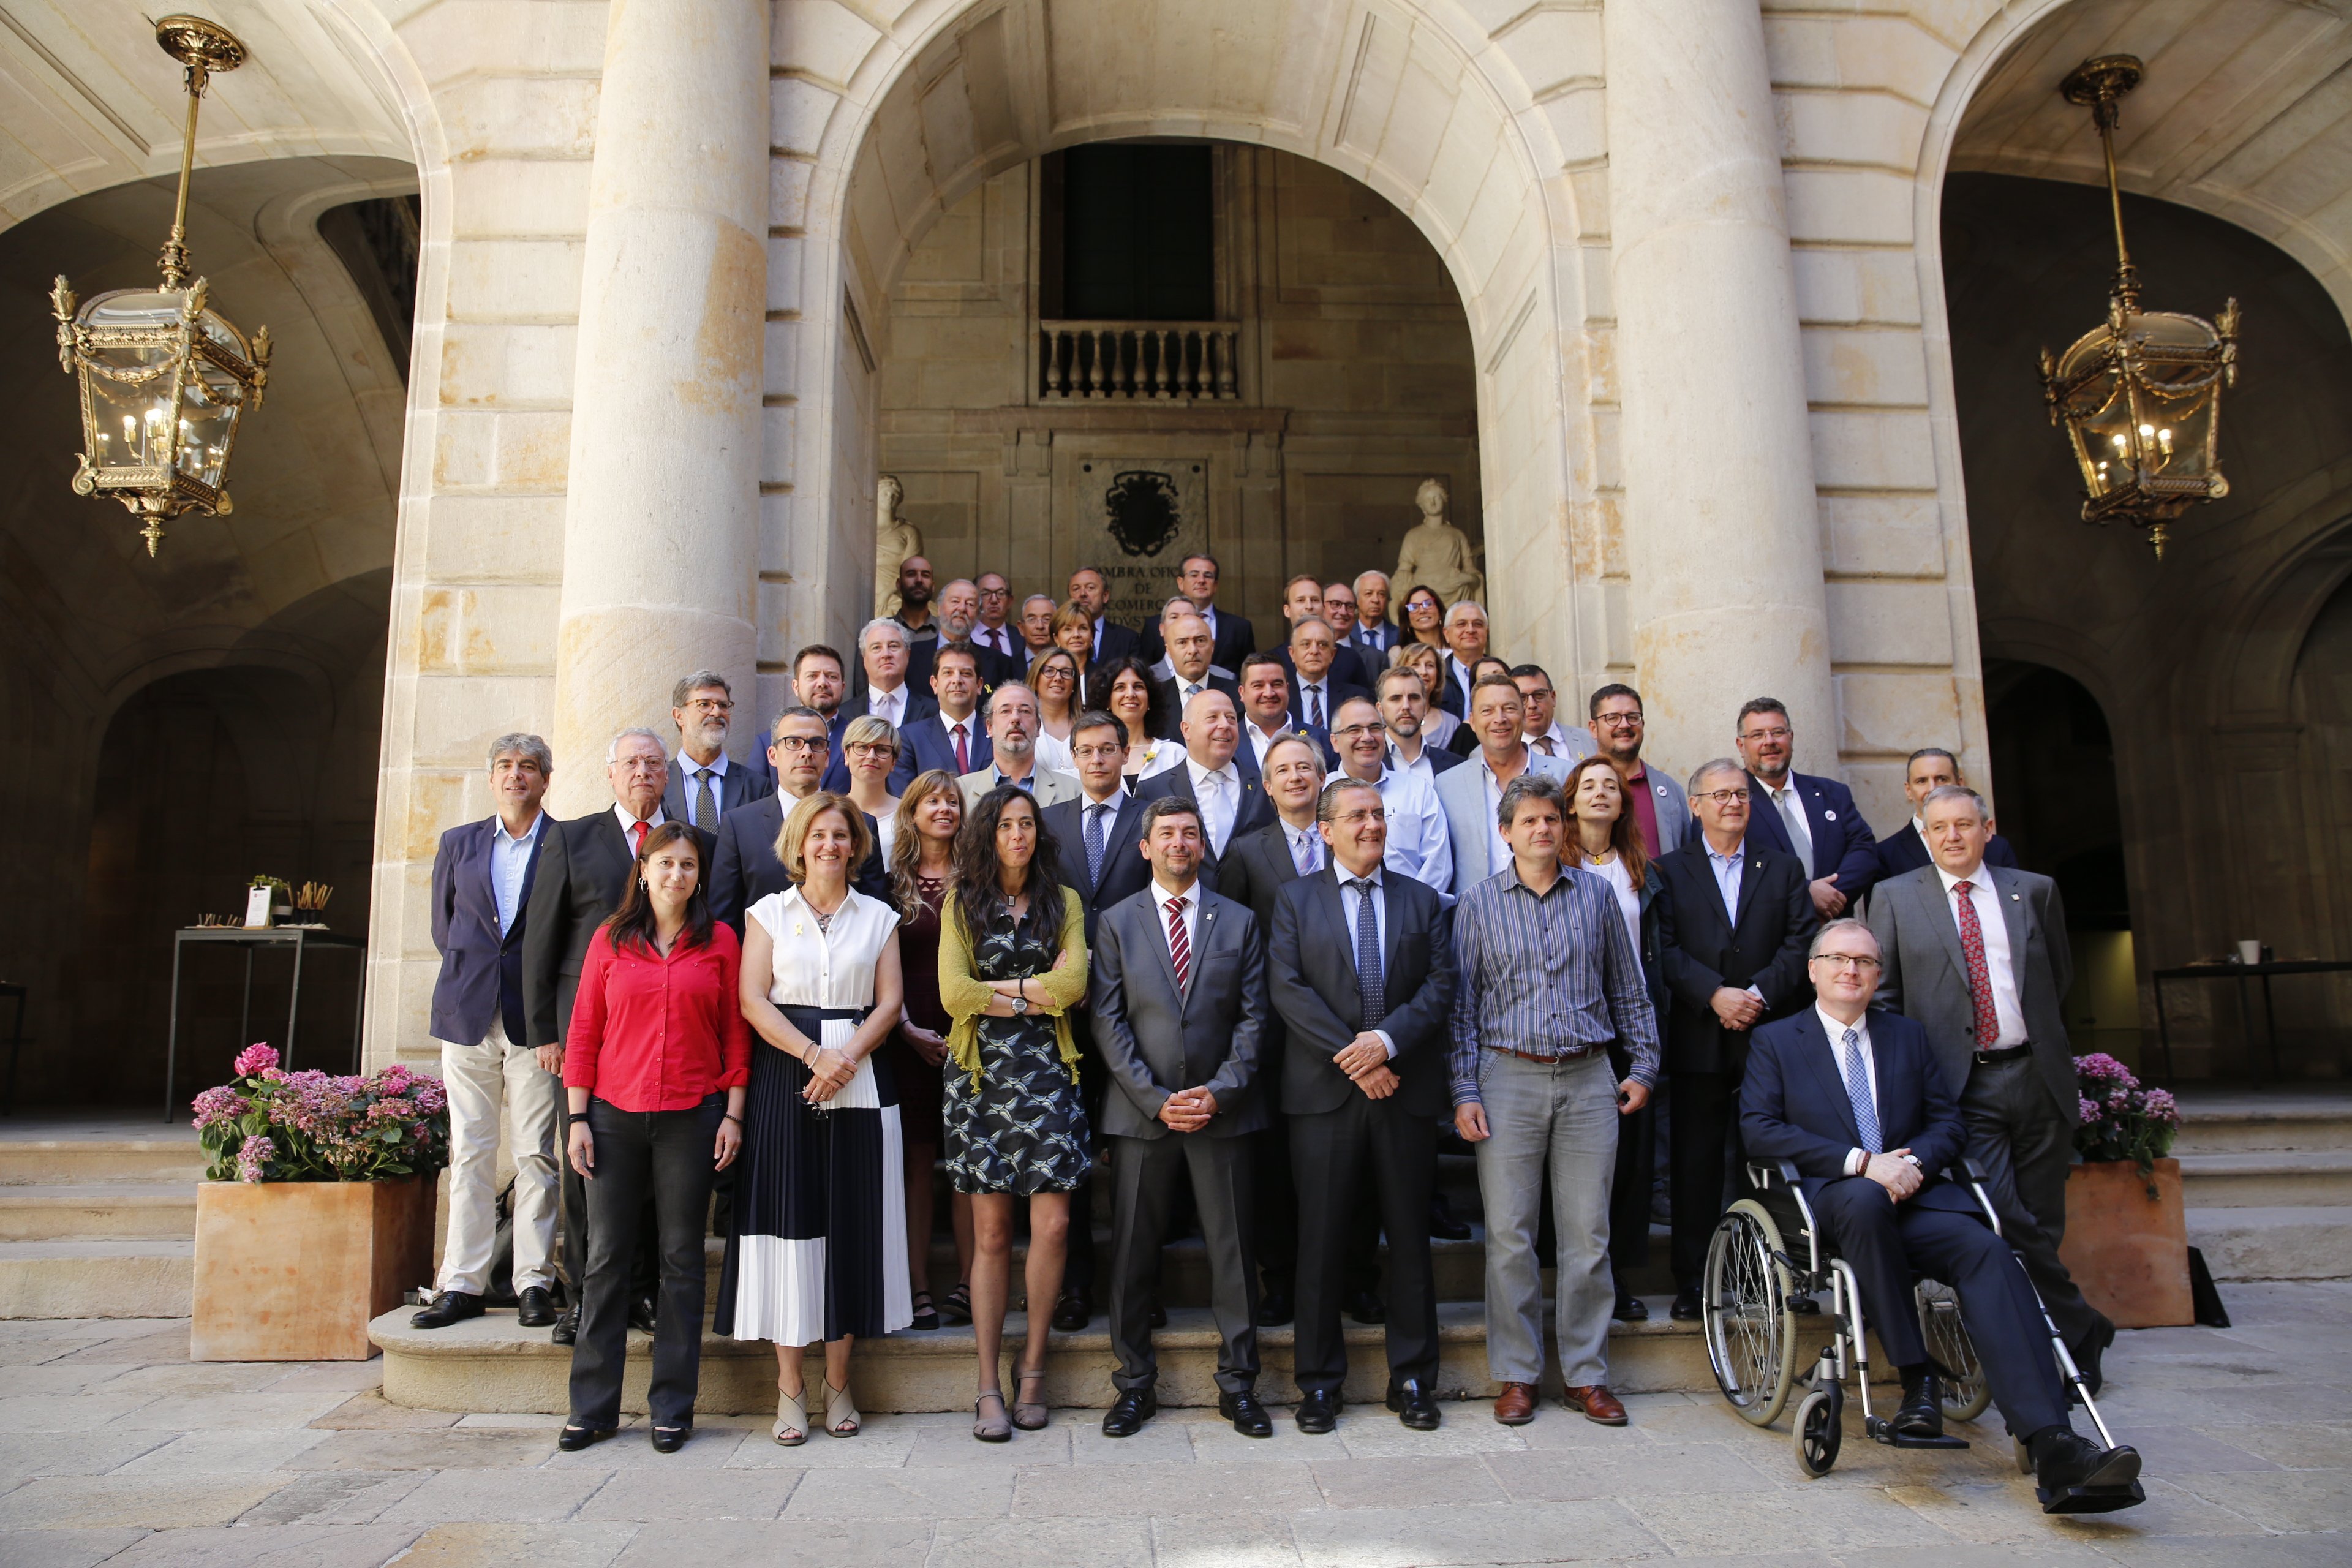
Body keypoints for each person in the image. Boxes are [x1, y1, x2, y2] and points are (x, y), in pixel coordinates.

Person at [1743, 918, 2143, 1498]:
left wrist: (1912, 1166)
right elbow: (1759, 1130)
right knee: (1861, 1198)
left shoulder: (1906, 1036)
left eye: (1864, 962)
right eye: (1837, 959)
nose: (1851, 970)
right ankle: (1917, 1377)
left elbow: (1946, 1123)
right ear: (1813, 971)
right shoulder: (1777, 1041)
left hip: (1916, 1199)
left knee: (1986, 1249)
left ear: (1879, 975)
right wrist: (1862, 1162)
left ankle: (2055, 1443)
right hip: (1834, 1198)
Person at [1868, 785, 2115, 1392]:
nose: (1952, 835)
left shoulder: (2032, 890)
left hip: (2036, 1074)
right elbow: (1887, 996)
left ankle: (2055, 1344)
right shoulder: (1894, 897)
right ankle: (2080, 1323)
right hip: (1959, 1085)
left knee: (2042, 1217)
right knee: (2000, 1213)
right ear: (1924, 833)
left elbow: (2055, 976)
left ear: (1988, 828)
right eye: (1940, 827)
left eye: (1964, 824)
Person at [1450, 772, 1657, 1427]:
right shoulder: (1477, 905)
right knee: (1511, 1236)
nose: (1543, 830)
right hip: (1507, 1077)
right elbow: (1462, 1009)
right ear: (1506, 832)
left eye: (1551, 820)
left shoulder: (1595, 897)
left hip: (1589, 1076)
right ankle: (1516, 1374)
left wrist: (1645, 1064)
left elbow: (1628, 989)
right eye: (1529, 821)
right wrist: (1463, 1089)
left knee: (1587, 1234)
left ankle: (1586, 1375)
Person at [719, 792, 911, 1445]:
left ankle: (839, 1382)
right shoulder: (768, 913)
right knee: (789, 1223)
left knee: (848, 1226)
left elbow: (889, 1004)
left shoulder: (879, 916)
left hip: (860, 1076)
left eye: (841, 835)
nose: (830, 845)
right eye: (819, 835)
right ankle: (790, 1387)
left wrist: (845, 1057)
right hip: (785, 1073)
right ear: (798, 844)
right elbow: (751, 997)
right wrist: (811, 1054)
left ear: (857, 845)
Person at [1269, 777, 1458, 1433]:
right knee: (1320, 1243)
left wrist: (1385, 1043)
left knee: (1408, 1239)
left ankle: (1413, 1378)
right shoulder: (1294, 901)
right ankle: (1320, 1384)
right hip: (1325, 1098)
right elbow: (1288, 990)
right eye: (1357, 815)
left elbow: (1441, 985)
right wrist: (1355, 1058)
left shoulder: (1423, 900)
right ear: (1326, 829)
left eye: (1378, 814)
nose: (1371, 824)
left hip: (1403, 1091)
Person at [558, 822, 748, 1455]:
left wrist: (733, 1113)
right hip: (613, 1114)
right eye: (665, 864)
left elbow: (734, 1036)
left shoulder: (720, 941)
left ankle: (672, 1406)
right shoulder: (611, 940)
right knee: (607, 1260)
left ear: (699, 875)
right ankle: (592, 1407)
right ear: (643, 870)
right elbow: (584, 1032)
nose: (676, 876)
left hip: (691, 1117)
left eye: (688, 865)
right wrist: (578, 1119)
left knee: (681, 1262)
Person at [1091, 797, 1273, 1439]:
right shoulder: (1115, 922)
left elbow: (1256, 1018)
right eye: (1166, 833)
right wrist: (1153, 1097)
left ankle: (1240, 1384)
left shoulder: (1241, 921)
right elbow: (1107, 1020)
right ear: (1145, 847)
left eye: (1189, 833)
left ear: (1202, 845)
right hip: (1143, 1115)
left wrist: (1218, 1092)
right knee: (1134, 1254)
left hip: (1222, 1113)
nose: (1178, 842)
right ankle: (1135, 1384)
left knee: (1232, 1254)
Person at [522, 726, 695, 1344]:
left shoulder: (685, 844)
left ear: (667, 774)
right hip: (582, 1035)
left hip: (662, 1040)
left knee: (652, 1173)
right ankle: (585, 1296)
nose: (643, 772)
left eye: (654, 763)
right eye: (631, 763)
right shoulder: (571, 837)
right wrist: (544, 1030)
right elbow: (541, 939)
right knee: (582, 1165)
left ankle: (641, 1290)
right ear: (610, 772)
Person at [938, 787, 1091, 1440]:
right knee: (993, 1234)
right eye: (1006, 824)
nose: (1019, 834)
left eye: (1028, 824)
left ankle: (1033, 1370)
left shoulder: (1065, 902)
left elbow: (1076, 984)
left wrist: (997, 992)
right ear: (988, 833)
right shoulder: (961, 902)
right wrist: (1035, 992)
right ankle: (986, 1385)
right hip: (980, 1078)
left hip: (1050, 1079)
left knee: (1053, 1226)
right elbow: (952, 994)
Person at [1653, 758, 1818, 1321]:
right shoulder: (1668, 871)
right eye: (1719, 795)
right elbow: (1665, 949)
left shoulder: (1785, 869)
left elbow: (1802, 943)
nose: (1733, 803)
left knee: (1765, 1161)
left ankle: (1767, 1276)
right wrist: (1715, 995)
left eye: (1741, 795)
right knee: (1695, 1166)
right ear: (1694, 805)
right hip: (1699, 1037)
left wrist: (1757, 995)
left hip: (1770, 1040)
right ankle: (1694, 1282)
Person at [415, 733, 559, 1332]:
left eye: (528, 767)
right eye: (505, 766)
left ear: (545, 779)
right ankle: (463, 1283)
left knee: (535, 1154)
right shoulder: (459, 843)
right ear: (492, 776)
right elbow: (443, 927)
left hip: (536, 1023)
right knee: (470, 1150)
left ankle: (533, 1280)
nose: (516, 776)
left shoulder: (564, 844)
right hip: (467, 1016)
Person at [1203, 733, 1331, 1330]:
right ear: (1268, 784)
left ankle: (1350, 1277)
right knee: (1277, 1172)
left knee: (1341, 1171)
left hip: (1347, 1036)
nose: (1297, 776)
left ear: (1321, 777)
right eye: (1284, 769)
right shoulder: (1246, 853)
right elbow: (1227, 946)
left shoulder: (1349, 841)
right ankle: (1278, 1281)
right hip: (1275, 1044)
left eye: (1306, 766)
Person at [1038, 710, 1156, 1329]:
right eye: (1085, 751)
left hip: (1144, 1012)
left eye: (1108, 749)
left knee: (1143, 1156)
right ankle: (1075, 1286)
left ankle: (1143, 1287)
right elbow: (1035, 909)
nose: (1098, 760)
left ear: (1125, 752)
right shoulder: (1052, 824)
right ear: (1073, 758)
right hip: (1070, 1021)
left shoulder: (1154, 817)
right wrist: (1066, 975)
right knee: (1074, 1155)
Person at [1562, 755, 1670, 1322]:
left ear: (1624, 802)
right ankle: (1568, 1275)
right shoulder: (1553, 860)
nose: (1601, 794)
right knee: (1580, 1166)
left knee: (1629, 1161)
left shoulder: (1641, 868)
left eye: (1611, 786)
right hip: (1574, 1024)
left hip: (1630, 1025)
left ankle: (1618, 1273)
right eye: (1589, 786)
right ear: (1570, 800)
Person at [880, 770, 967, 1334]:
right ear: (912, 812)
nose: (944, 809)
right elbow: (876, 963)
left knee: (965, 1164)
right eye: (932, 800)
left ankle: (965, 1284)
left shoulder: (982, 877)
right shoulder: (888, 883)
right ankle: (916, 1288)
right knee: (915, 1162)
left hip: (970, 1035)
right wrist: (907, 1027)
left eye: (952, 801)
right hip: (905, 1036)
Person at [712, 709, 891, 925]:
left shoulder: (861, 823)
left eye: (816, 744)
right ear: (772, 755)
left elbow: (875, 913)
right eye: (793, 743)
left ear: (827, 757)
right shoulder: (739, 825)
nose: (806, 752)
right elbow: (723, 920)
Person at [1735, 698, 1879, 919]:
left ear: (1791, 738)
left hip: (1833, 934)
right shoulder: (1731, 802)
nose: (1769, 741)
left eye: (1778, 732)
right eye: (1757, 735)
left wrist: (1831, 896)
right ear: (1741, 745)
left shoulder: (1833, 793)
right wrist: (1805, 892)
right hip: (1772, 941)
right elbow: (1734, 866)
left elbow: (1864, 849)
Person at [1433, 674, 1570, 895]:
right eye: (1487, 711)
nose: (1500, 718)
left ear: (1524, 716)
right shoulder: (1447, 785)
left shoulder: (1564, 774)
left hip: (1555, 908)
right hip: (1478, 919)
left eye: (1509, 708)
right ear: (1473, 722)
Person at [1329, 695, 1452, 891]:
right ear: (1335, 741)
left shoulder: (1417, 790)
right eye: (1354, 730)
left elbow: (1438, 862)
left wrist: (1413, 908)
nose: (1367, 737)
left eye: (1375, 728)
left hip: (1414, 912)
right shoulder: (1320, 794)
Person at [1136, 687, 1271, 862]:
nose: (1224, 725)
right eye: (1212, 718)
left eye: (1231, 718)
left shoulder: (1264, 787)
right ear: (1186, 730)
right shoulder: (1152, 790)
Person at [1877, 748, 2019, 879]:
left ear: (1959, 784)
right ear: (1909, 790)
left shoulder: (1998, 847)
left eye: (1941, 779)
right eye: (1922, 781)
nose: (1932, 788)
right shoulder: (1885, 854)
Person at [826, 620, 932, 792]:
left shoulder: (933, 712)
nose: (886, 654)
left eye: (893, 646)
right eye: (876, 648)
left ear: (907, 654)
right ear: (864, 660)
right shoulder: (843, 715)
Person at [663, 671, 774, 830]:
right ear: (679, 716)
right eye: (704, 704)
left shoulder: (757, 787)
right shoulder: (658, 782)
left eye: (723, 705)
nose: (717, 712)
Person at [1586, 684, 1685, 859]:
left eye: (1633, 717)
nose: (1624, 725)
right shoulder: (1575, 787)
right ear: (1594, 728)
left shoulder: (1670, 790)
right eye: (1613, 718)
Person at [960, 681, 1082, 808]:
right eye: (1005, 711)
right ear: (989, 727)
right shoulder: (961, 791)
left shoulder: (1074, 791)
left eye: (1025, 711)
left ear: (1038, 726)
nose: (1015, 718)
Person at [1140, 552, 1254, 672]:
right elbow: (1145, 673)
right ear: (1180, 582)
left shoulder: (1240, 627)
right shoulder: (1153, 626)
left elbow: (1249, 673)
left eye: (1208, 576)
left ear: (1215, 585)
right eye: (1194, 575)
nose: (1201, 580)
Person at [902, 642, 992, 779]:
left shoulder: (997, 734)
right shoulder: (909, 738)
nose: (957, 680)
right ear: (935, 684)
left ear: (979, 685)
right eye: (948, 673)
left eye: (966, 673)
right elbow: (904, 797)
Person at [1150, 614, 1239, 738]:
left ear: (1212, 646)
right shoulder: (1154, 699)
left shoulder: (1238, 695)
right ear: (1169, 651)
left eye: (1200, 641)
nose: (1192, 650)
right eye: (1182, 642)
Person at [1279, 616, 1369, 736]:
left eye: (1322, 645)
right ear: (1292, 653)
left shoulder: (1356, 697)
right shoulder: (1279, 698)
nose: (1314, 651)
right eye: (1306, 644)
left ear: (1332, 654)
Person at [1100, 655, 1182, 784]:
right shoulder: (1095, 756)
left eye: (1138, 687)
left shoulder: (1174, 754)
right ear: (1108, 701)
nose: (1130, 694)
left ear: (1150, 700)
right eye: (1120, 687)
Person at [839, 715, 904, 858]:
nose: (871, 756)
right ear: (846, 755)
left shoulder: (908, 815)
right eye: (863, 747)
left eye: (882, 750)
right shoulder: (831, 812)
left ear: (894, 762)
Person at [1387, 646, 1464, 757]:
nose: (1423, 672)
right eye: (1415, 664)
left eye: (1430, 665)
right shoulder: (1384, 717)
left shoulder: (1452, 723)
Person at [1511, 665, 1596, 763]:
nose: (1532, 705)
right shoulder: (1504, 752)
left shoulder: (1590, 740)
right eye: (1522, 698)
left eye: (1539, 695)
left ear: (1553, 698)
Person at [1237, 653, 1305, 772]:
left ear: (1287, 689)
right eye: (1258, 686)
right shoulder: (1227, 742)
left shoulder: (1321, 740)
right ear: (1242, 693)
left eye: (1277, 685)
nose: (1269, 693)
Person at [884, 555, 940, 691]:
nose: (919, 580)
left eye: (925, 575)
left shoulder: (945, 632)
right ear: (899, 584)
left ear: (933, 586)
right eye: (911, 574)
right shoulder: (882, 632)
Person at [1029, 646, 1085, 775]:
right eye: (1049, 671)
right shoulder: (1023, 725)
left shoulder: (1089, 727)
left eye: (1066, 672)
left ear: (1074, 683)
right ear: (1036, 679)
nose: (1058, 678)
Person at [1068, 566, 1140, 664]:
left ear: (1105, 596)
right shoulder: (1060, 638)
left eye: (1090, 588)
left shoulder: (1127, 639)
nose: (1083, 594)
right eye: (1076, 589)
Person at [1435, 600, 1490, 718]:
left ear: (1487, 632)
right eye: (1461, 624)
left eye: (1478, 624)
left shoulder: (1501, 672)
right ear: (1447, 634)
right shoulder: (1436, 677)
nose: (1470, 630)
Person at [971, 573, 1023, 673]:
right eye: (986, 594)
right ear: (974, 599)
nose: (994, 600)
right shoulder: (965, 637)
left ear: (1010, 601)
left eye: (1001, 594)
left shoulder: (1022, 638)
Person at [1350, 570, 1401, 655]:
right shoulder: (1347, 636)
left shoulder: (1400, 636)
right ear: (1356, 599)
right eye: (1369, 594)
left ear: (1387, 600)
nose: (1376, 600)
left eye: (1381, 594)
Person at [1399, 583, 1446, 652]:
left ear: (1439, 611)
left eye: (1428, 604)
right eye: (1414, 607)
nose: (1422, 611)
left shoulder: (1457, 647)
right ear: (1408, 620)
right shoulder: (1399, 652)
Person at [1019, 594, 1058, 662]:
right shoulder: (1007, 667)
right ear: (1021, 628)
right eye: (1032, 619)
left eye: (1047, 619)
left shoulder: (1068, 664)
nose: (1040, 626)